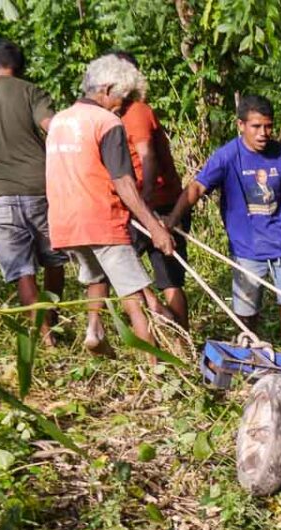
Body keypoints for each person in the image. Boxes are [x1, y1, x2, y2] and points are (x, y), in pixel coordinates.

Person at [166, 94, 281, 355]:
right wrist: (171, 220)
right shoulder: (227, 156)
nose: (263, 133)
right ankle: (251, 352)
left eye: (268, 126)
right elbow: (197, 187)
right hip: (247, 247)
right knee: (247, 310)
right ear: (241, 125)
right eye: (256, 127)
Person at [45, 54, 174, 358]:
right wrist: (155, 228)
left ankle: (94, 329)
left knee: (96, 277)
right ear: (106, 89)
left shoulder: (60, 120)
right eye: (123, 98)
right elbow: (124, 183)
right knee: (134, 297)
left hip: (65, 223)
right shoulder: (107, 122)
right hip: (102, 220)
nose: (124, 106)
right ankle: (154, 367)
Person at [0, 39, 66, 343]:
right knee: (55, 258)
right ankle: (55, 318)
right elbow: (53, 126)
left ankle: (46, 336)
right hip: (40, 189)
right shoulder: (31, 91)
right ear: (20, 67)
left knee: (21, 271)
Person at [110, 50, 190, 329]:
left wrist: (142, 205)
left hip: (157, 206)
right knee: (125, 272)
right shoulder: (114, 115)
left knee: (169, 278)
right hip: (140, 207)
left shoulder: (137, 112)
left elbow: (148, 157)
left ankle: (181, 343)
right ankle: (158, 323)